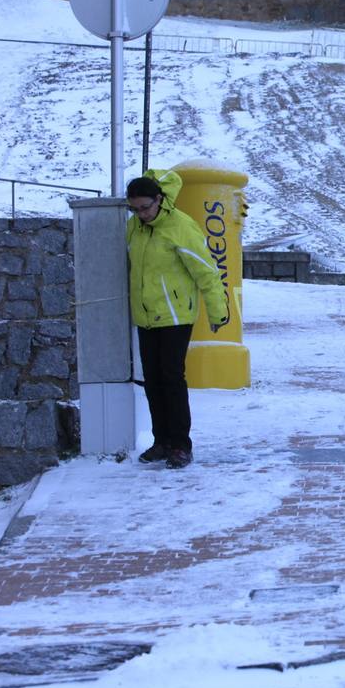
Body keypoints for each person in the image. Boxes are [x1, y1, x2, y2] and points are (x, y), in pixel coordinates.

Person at [126, 170, 229, 469]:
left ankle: (181, 445)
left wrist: (217, 310)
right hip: (146, 317)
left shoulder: (181, 227)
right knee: (153, 382)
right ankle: (161, 441)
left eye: (145, 207)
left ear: (160, 199)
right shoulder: (134, 227)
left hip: (175, 316)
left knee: (172, 380)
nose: (141, 214)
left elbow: (206, 271)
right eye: (135, 209)